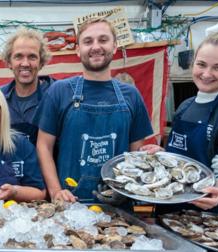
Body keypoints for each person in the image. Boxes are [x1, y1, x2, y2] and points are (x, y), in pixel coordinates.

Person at [35, 18, 153, 204]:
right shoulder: (59, 91)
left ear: (114, 46)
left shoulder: (131, 95)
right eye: (88, 41)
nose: (96, 47)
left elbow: (136, 154)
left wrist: (152, 156)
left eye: (103, 40)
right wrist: (56, 191)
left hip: (119, 206)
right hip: (69, 203)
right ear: (78, 49)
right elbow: (43, 146)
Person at [141, 23, 218, 216]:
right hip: (170, 207)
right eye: (201, 64)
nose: (206, 74)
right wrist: (164, 154)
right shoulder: (186, 106)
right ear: (193, 62)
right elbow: (183, 158)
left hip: (211, 212)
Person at [1, 27, 54, 145]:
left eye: (32, 57)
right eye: (18, 56)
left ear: (41, 62)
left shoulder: (56, 95)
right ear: (9, 62)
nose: (25, 63)